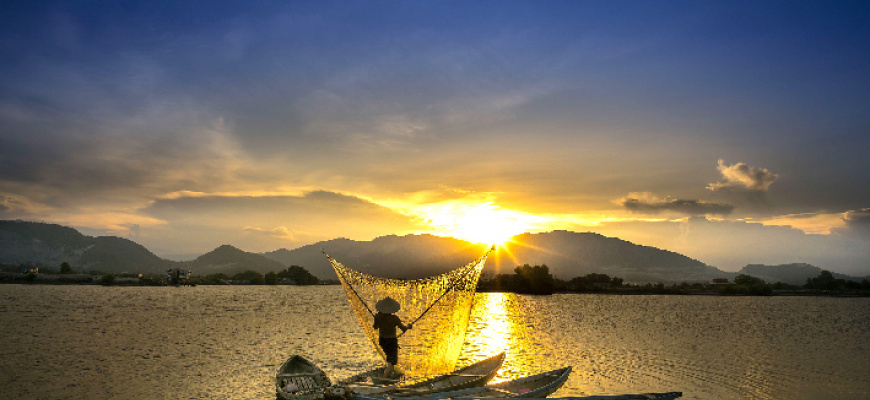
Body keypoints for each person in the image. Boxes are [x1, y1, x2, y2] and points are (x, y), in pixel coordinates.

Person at [372, 296, 412, 379]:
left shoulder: (378, 317)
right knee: (392, 361)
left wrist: (376, 319)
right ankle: (385, 377)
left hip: (382, 341)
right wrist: (408, 326)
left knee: (390, 359)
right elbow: (403, 329)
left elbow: (375, 327)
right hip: (391, 341)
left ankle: (389, 374)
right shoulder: (395, 319)